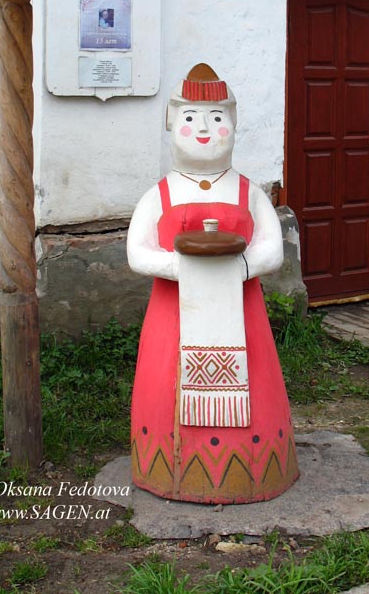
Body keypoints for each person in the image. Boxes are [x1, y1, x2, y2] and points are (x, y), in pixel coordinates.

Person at [127, 63, 299, 503]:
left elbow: (272, 250)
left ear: (233, 125)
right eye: (190, 119)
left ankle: (255, 469)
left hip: (243, 318)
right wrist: (182, 268)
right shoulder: (160, 194)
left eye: (217, 119)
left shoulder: (249, 192)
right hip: (174, 315)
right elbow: (137, 253)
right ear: (172, 126)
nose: (204, 130)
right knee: (166, 384)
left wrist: (237, 269)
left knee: (255, 381)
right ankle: (169, 467)